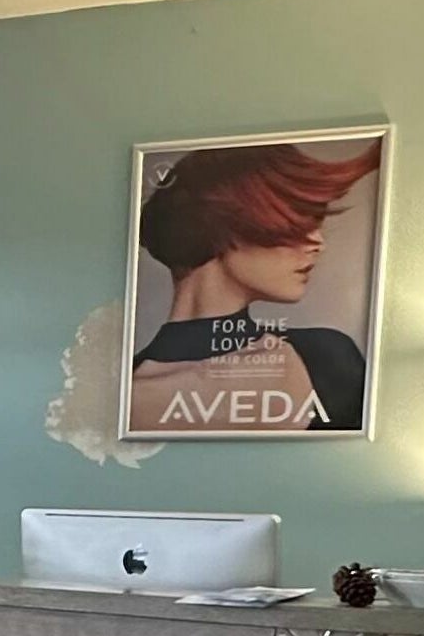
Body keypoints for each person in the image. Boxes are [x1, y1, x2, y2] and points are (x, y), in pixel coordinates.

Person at [126, 138, 379, 433]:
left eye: (316, 222)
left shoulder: (328, 358)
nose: (317, 243)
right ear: (218, 224)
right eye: (294, 223)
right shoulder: (119, 393)